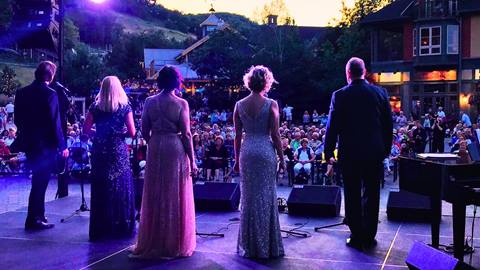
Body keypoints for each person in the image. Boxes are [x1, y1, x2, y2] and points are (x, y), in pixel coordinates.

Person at [324, 57, 392, 250]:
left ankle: (356, 235)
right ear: (365, 72)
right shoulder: (380, 93)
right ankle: (369, 235)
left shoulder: (340, 95)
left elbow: (332, 127)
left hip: (350, 153)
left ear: (348, 74)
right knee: (372, 192)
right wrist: (385, 150)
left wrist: (328, 151)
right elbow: (388, 126)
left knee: (352, 193)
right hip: (374, 153)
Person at [132, 66, 197, 259]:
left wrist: (154, 139)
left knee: (155, 192)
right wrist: (192, 160)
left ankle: (154, 239)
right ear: (177, 81)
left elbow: (143, 129)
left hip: (155, 146)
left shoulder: (149, 102)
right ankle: (173, 242)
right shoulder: (181, 103)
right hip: (174, 146)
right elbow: (186, 134)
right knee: (174, 192)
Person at [233, 65, 284, 258]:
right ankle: (266, 245)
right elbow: (276, 134)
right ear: (266, 82)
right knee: (266, 196)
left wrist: (237, 160)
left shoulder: (239, 105)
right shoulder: (271, 103)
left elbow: (237, 136)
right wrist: (281, 157)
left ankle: (249, 244)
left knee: (249, 197)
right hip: (264, 150)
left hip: (247, 151)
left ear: (249, 82)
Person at [14, 61, 68, 230]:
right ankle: (34, 219)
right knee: (41, 182)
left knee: (38, 181)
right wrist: (63, 146)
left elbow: (17, 120)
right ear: (50, 76)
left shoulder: (21, 93)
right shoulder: (50, 94)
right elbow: (55, 122)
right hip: (45, 146)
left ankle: (38, 214)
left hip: (30, 144)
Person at [83, 76, 136, 240]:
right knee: (120, 186)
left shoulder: (95, 107)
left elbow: (85, 130)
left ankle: (102, 226)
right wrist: (118, 134)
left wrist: (99, 134)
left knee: (101, 186)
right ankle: (121, 226)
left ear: (103, 88)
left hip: (100, 151)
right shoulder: (125, 107)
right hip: (118, 151)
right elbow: (132, 132)